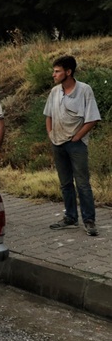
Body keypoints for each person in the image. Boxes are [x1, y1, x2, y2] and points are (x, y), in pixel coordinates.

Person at [44, 55, 101, 237]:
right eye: (54, 71)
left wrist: (77, 137)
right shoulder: (54, 92)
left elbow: (92, 119)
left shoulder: (84, 90)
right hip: (58, 142)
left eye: (57, 71)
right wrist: (51, 134)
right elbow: (49, 115)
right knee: (65, 183)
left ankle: (89, 220)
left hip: (76, 144)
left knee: (82, 183)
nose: (54, 74)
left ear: (68, 72)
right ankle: (70, 217)